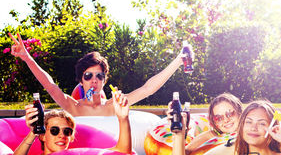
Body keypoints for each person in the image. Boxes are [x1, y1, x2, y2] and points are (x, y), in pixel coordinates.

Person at [8, 33, 192, 117]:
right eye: (88, 76)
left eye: (99, 76)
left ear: (104, 80)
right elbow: (49, 85)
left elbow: (148, 89)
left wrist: (178, 60)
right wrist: (26, 57)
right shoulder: (73, 107)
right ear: (81, 80)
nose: (94, 80)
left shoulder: (114, 105)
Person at [183, 70, 281, 154]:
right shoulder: (212, 135)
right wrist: (182, 133)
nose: (226, 120)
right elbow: (186, 152)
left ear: (240, 113)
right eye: (219, 117)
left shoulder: (259, 131)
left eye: (230, 114)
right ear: (213, 121)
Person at [7, 89, 131, 155]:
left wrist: (123, 118)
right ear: (43, 136)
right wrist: (33, 132)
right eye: (54, 130)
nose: (61, 135)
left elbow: (122, 152)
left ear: (71, 137)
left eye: (67, 131)